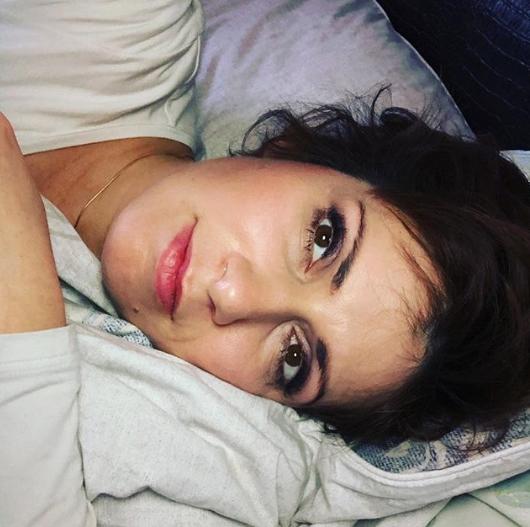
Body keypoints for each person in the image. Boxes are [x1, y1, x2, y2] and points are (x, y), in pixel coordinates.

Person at [1, 0, 529, 468]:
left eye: (293, 358)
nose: (232, 296)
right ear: (292, 153)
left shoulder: (77, 399)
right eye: (324, 239)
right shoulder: (124, 20)